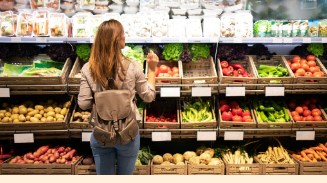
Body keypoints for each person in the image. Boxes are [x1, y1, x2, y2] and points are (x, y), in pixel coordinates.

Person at [78, 20, 158, 175]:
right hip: (128, 133)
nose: (124, 37)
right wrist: (152, 69)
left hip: (101, 133)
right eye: (122, 35)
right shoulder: (133, 66)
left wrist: (102, 102)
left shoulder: (88, 69)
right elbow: (148, 96)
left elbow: (83, 103)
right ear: (118, 41)